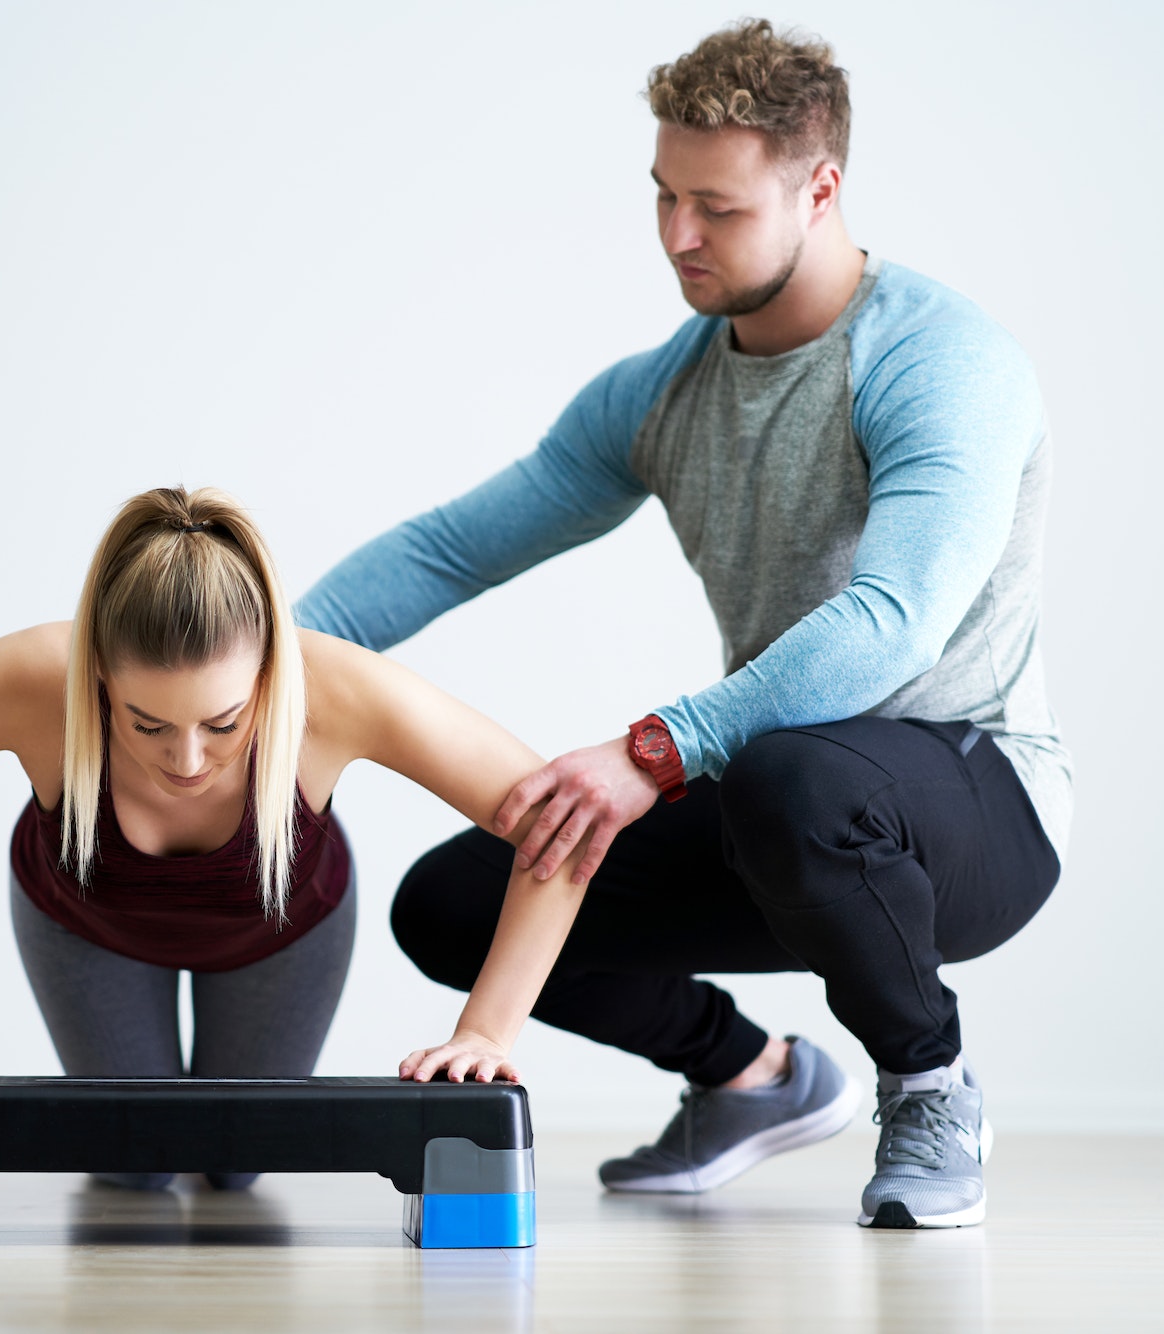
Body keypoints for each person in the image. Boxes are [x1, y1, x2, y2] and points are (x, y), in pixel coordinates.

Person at [296, 20, 1069, 1229]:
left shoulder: (938, 361)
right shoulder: (662, 390)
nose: (676, 236)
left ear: (820, 190)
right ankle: (749, 1074)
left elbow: (892, 620)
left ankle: (926, 1084)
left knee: (788, 776)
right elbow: (450, 550)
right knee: (452, 903)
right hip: (776, 800)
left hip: (971, 804)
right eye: (663, 195)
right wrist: (248, 671)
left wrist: (654, 750)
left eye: (716, 207)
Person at [0, 485, 589, 1191]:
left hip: (282, 927)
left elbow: (561, 828)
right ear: (96, 674)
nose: (187, 760)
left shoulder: (337, 689)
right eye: (146, 724)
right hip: (85, 923)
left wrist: (486, 1032)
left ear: (269, 674)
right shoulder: (29, 680)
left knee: (238, 1165)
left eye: (223, 724)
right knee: (137, 1167)